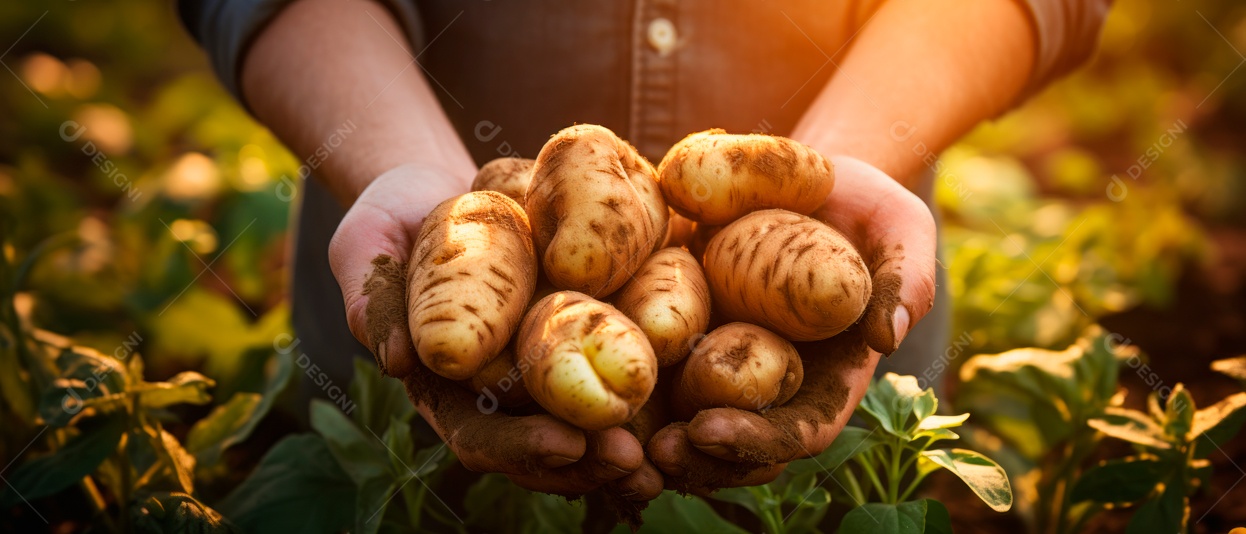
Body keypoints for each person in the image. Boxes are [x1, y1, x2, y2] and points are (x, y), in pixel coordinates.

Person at [178, 0, 1109, 501]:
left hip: (837, 412)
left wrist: (845, 165)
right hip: (395, 426)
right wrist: (408, 164)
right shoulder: (526, 263)